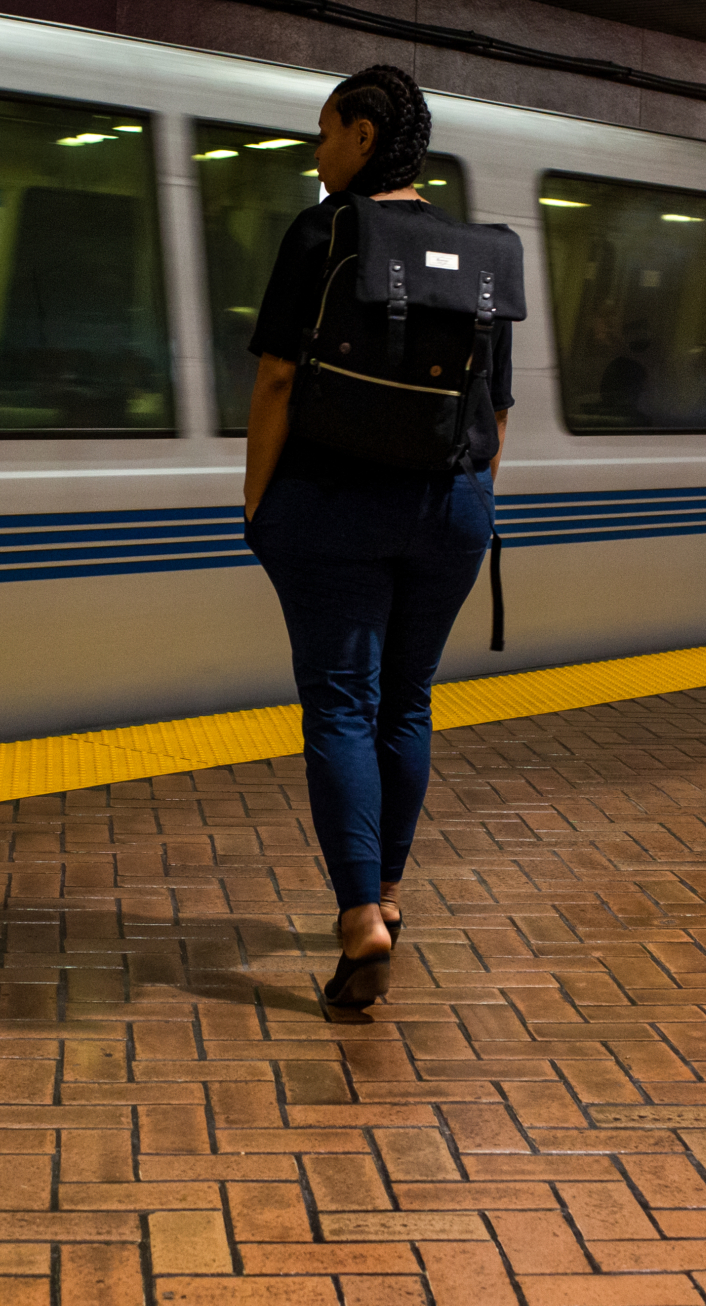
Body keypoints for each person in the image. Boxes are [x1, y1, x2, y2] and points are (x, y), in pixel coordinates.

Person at [241, 66, 511, 1016]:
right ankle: (388, 891)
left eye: (323, 135)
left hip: (331, 507)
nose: (317, 157)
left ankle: (361, 916)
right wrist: (462, 496)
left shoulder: (324, 232)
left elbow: (277, 378)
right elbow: (498, 413)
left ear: (361, 134)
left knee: (342, 706)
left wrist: (256, 503)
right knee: (407, 700)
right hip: (452, 508)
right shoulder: (481, 254)